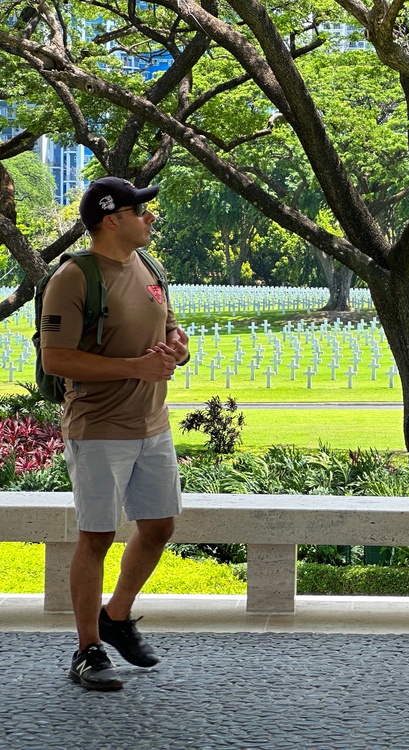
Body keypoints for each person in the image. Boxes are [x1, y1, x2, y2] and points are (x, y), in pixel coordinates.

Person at [39, 176, 189, 691]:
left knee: (159, 526)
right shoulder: (73, 278)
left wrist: (176, 347)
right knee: (97, 535)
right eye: (140, 211)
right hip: (99, 427)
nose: (150, 218)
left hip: (153, 423)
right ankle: (87, 650)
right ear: (111, 219)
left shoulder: (151, 268)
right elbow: (55, 359)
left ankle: (116, 616)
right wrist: (135, 369)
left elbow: (170, 328)